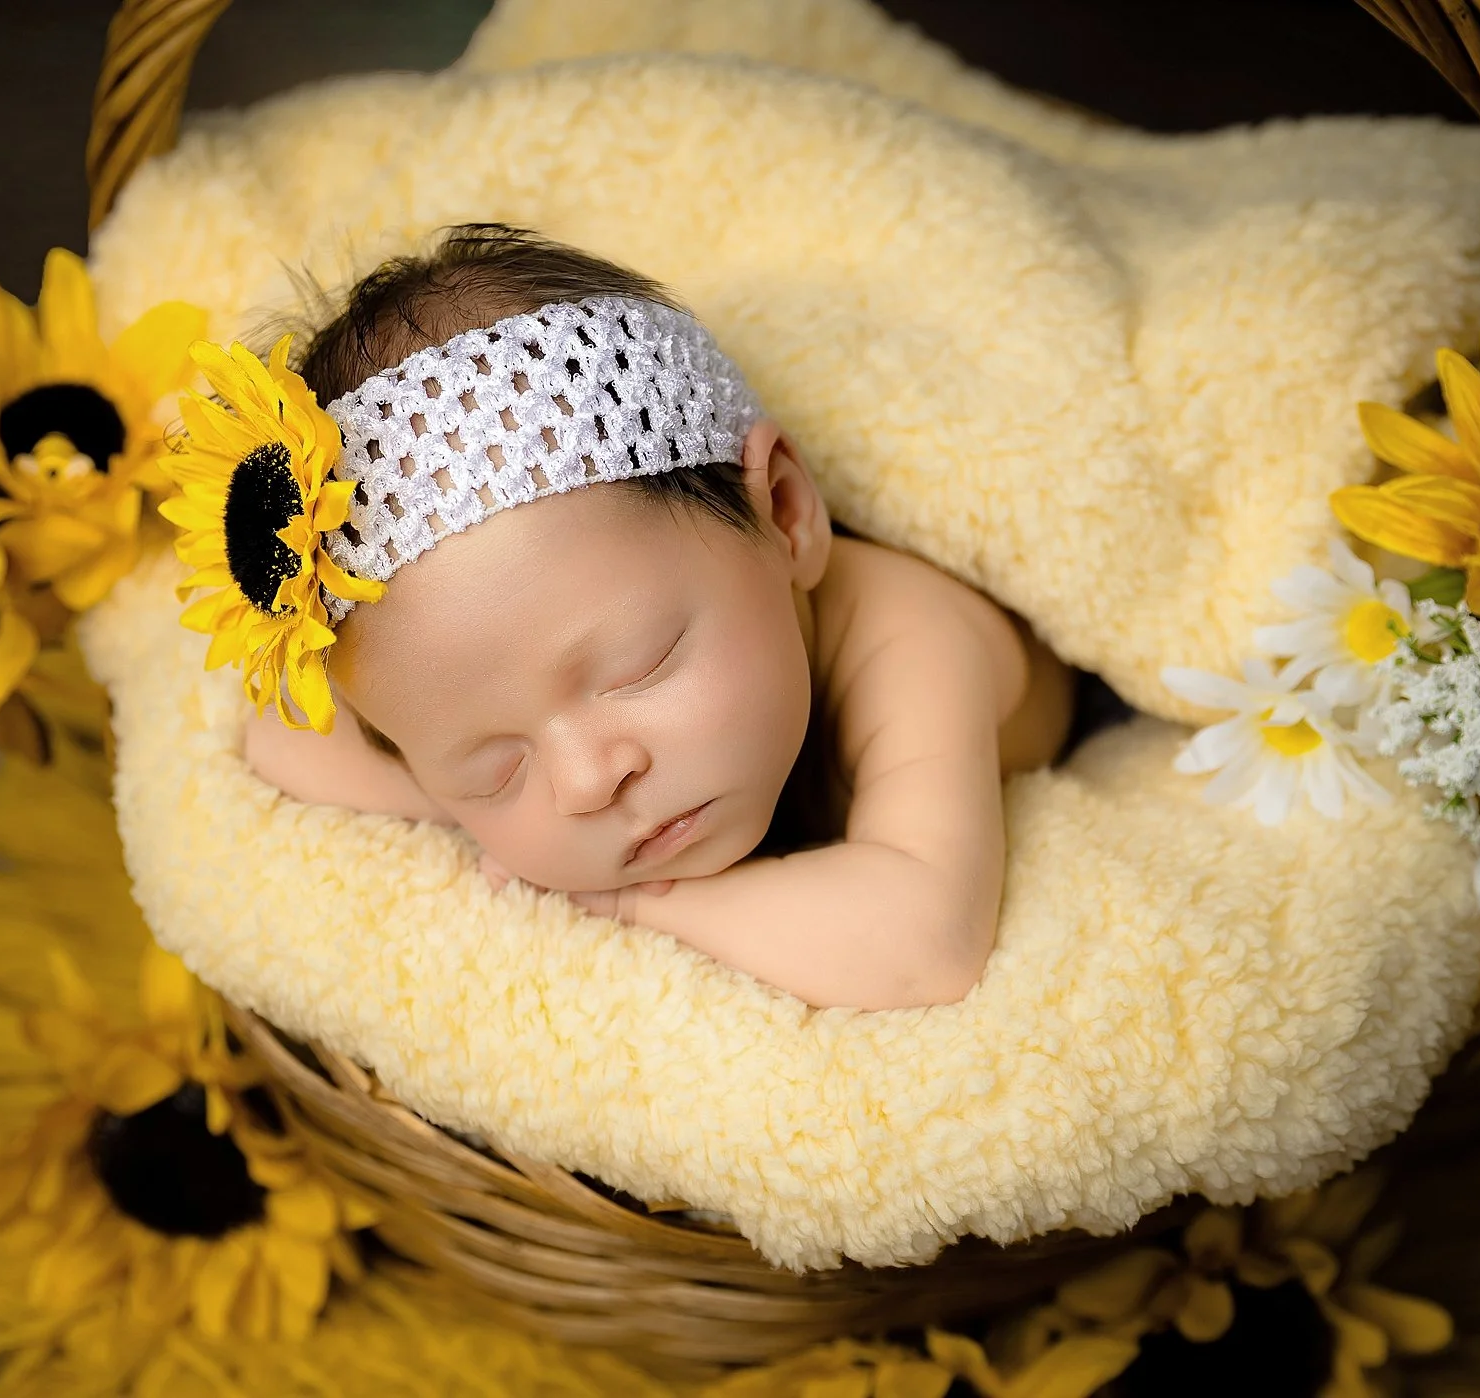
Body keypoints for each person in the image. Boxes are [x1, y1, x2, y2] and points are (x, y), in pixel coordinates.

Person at [240, 225, 1078, 1010]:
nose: (587, 781)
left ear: (785, 515)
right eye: (495, 770)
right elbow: (278, 741)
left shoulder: (913, 637)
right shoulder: (477, 695)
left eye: (639, 666)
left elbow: (924, 941)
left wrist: (628, 904)